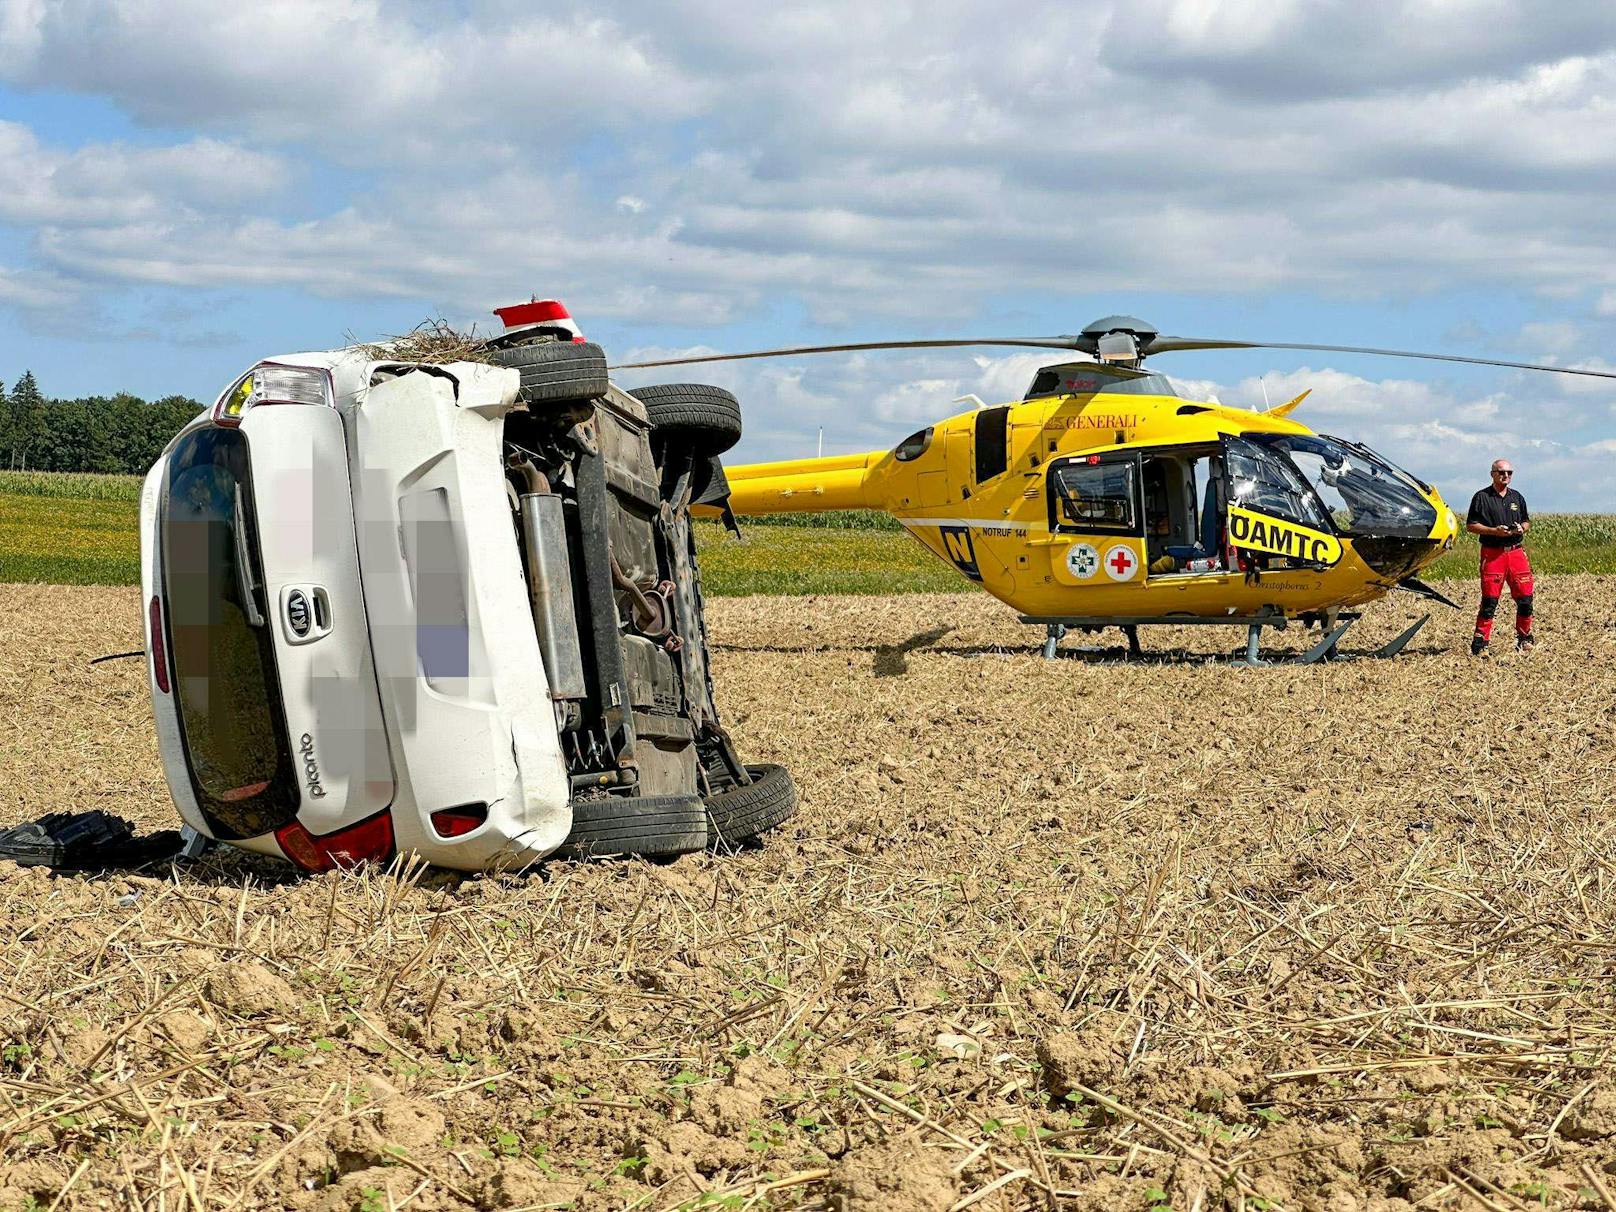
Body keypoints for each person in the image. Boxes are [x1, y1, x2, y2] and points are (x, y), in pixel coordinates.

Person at [1465, 459, 1533, 655]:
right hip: (1493, 554)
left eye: (1510, 472)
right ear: (1492, 474)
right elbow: (1471, 525)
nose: (1506, 476)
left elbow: (1527, 521)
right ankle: (1480, 644)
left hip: (1516, 553)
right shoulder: (1481, 497)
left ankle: (1525, 638)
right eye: (1502, 472)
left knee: (1526, 599)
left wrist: (1522, 528)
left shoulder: (1517, 497)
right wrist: (1494, 531)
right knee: (1490, 601)